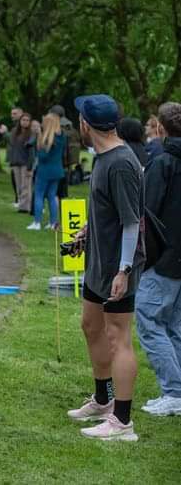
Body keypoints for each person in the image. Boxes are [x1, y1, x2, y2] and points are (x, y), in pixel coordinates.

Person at [67, 94, 144, 441]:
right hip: (97, 260)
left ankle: (123, 422)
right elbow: (108, 209)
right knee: (90, 325)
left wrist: (124, 270)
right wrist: (87, 231)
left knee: (118, 338)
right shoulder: (102, 157)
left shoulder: (122, 163)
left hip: (118, 266)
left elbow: (132, 222)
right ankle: (103, 399)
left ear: (86, 124)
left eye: (78, 119)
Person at [135, 102, 181, 417]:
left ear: (161, 128)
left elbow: (147, 214)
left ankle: (174, 391)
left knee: (149, 318)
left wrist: (143, 259)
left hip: (166, 255)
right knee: (175, 323)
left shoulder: (163, 162)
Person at [27, 113, 65, 230]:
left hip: (44, 171)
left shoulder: (48, 138)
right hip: (57, 170)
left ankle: (37, 222)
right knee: (52, 196)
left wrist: (39, 139)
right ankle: (53, 223)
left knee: (39, 195)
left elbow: (42, 156)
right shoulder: (62, 136)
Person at [8, 113, 34, 213]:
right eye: (23, 120)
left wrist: (30, 166)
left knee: (26, 185)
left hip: (26, 162)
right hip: (16, 161)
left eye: (27, 120)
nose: (25, 122)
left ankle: (26, 207)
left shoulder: (31, 133)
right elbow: (11, 146)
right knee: (18, 185)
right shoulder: (15, 132)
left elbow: (32, 151)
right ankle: (21, 204)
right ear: (20, 121)